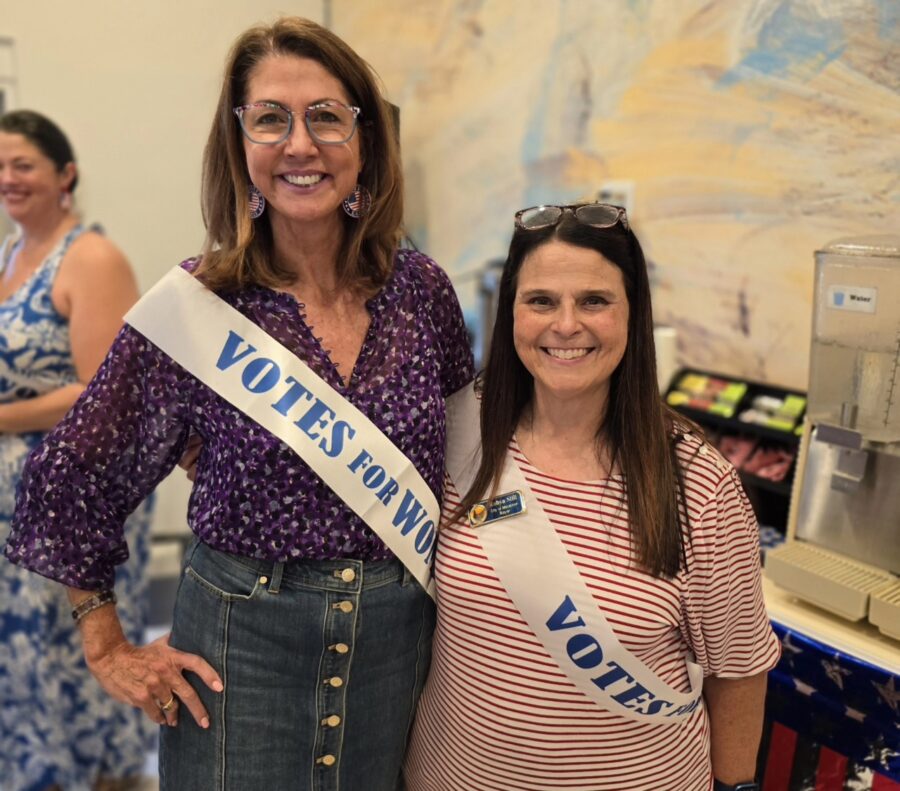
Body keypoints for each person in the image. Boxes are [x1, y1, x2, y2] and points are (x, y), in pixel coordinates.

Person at [5, 17, 473, 791]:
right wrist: (107, 643)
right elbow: (72, 475)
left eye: (326, 115)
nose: (300, 145)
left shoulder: (422, 292)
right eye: (269, 118)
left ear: (365, 140)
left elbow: (467, 455)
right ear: (240, 142)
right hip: (239, 651)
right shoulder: (197, 306)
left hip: (396, 648)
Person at [404, 203, 781, 791]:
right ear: (511, 313)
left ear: (633, 314)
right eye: (541, 301)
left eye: (595, 301)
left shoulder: (699, 484)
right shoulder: (456, 433)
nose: (566, 325)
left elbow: (738, 671)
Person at [0, 110, 153, 791]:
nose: (8, 179)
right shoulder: (9, 254)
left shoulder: (90, 257)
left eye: (23, 164)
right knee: (21, 662)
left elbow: (102, 390)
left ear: (65, 175)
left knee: (70, 660)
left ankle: (99, 779)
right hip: (14, 507)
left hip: (71, 503)